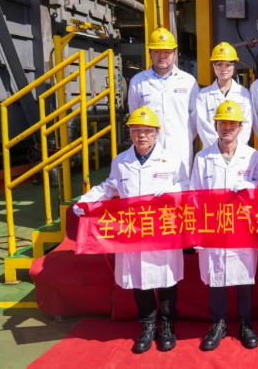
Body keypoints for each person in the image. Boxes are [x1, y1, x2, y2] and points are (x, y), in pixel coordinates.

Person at [73, 107, 189, 354]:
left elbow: (187, 186)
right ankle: (148, 326)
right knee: (140, 278)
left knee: (167, 279)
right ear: (130, 133)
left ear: (157, 133)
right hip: (134, 230)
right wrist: (86, 202)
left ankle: (167, 326)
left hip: (163, 230)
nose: (142, 135)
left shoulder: (171, 160)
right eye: (136, 130)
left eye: (147, 130)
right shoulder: (121, 162)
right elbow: (109, 187)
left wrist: (173, 193)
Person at [191, 101, 258, 351]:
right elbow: (194, 195)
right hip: (213, 227)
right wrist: (196, 232)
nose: (228, 127)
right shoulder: (203, 158)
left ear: (241, 127)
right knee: (216, 274)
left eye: (233, 123)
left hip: (243, 227)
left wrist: (250, 187)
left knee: (244, 275)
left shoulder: (253, 157)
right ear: (215, 126)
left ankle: (246, 323)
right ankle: (219, 323)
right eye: (223, 123)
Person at [128, 28, 199, 175]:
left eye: (167, 52)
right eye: (157, 51)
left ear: (175, 54)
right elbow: (135, 115)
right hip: (149, 148)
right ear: (150, 53)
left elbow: (195, 117)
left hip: (180, 147)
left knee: (180, 185)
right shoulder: (138, 82)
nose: (162, 56)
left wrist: (183, 137)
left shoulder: (188, 81)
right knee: (151, 185)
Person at [196, 42, 252, 149]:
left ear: (234, 66)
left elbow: (246, 124)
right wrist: (218, 147)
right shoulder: (203, 95)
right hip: (211, 150)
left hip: (237, 151)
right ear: (213, 66)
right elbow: (203, 126)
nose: (223, 69)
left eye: (228, 65)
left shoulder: (243, 94)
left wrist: (233, 147)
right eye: (219, 64)